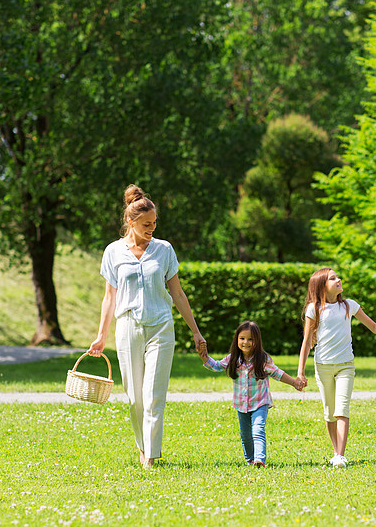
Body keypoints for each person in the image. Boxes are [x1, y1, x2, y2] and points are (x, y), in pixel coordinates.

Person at [88, 184, 207, 469]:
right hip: (128, 327)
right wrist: (101, 335)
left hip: (161, 328)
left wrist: (196, 330)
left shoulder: (164, 250)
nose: (152, 228)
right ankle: (142, 447)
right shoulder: (113, 252)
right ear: (131, 222)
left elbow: (177, 293)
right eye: (146, 224)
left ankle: (151, 456)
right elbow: (109, 297)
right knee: (134, 397)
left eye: (154, 223)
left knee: (154, 394)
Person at [297, 268, 376, 468]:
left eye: (337, 277)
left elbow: (374, 327)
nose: (339, 279)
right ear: (321, 286)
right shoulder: (314, 309)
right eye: (333, 278)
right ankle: (336, 453)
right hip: (322, 366)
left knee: (341, 410)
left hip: (345, 366)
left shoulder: (349, 305)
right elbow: (306, 342)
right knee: (329, 413)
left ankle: (340, 455)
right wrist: (300, 372)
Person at [203, 321, 304, 467]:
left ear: (257, 341)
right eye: (242, 338)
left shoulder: (262, 359)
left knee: (258, 430)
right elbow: (217, 366)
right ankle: (250, 460)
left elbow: (277, 373)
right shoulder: (233, 359)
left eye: (250, 339)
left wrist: (294, 382)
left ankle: (259, 460)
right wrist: (205, 358)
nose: (246, 342)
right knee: (246, 436)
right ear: (237, 339)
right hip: (241, 404)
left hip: (260, 403)